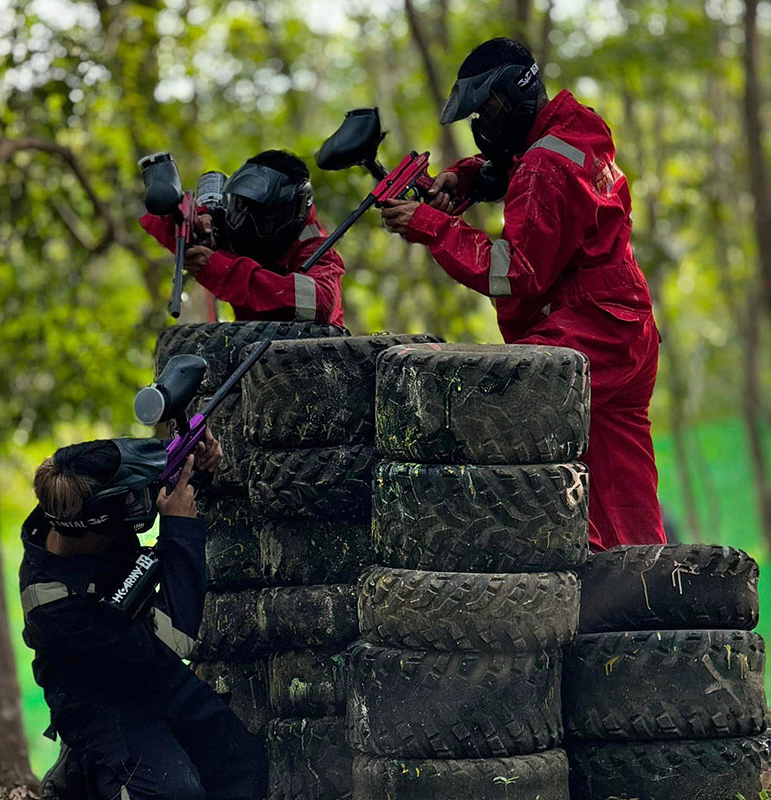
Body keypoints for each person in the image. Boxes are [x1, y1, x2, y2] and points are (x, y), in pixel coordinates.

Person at [381, 37, 665, 552]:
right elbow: (526, 162)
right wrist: (465, 179)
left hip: (588, 327)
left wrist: (432, 226)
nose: (482, 125)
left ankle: (533, 572)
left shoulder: (541, 169)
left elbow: (517, 272)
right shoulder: (578, 124)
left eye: (489, 109)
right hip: (628, 327)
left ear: (518, 93)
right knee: (621, 479)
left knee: (501, 415)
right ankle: (650, 593)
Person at [22, 432, 266, 800]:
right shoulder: (53, 606)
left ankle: (88, 770)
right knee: (173, 793)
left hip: (153, 674)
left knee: (242, 767)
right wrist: (180, 529)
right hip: (98, 701)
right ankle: (86, 768)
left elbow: (142, 481)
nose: (139, 506)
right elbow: (172, 639)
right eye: (130, 506)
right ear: (96, 525)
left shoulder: (75, 506)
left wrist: (192, 467)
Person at [140, 149, 345, 325]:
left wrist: (220, 268)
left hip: (311, 360)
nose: (246, 221)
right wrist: (194, 222)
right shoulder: (224, 220)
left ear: (291, 213)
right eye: (240, 205)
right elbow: (157, 218)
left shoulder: (316, 246)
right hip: (248, 356)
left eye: (261, 213)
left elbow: (322, 302)